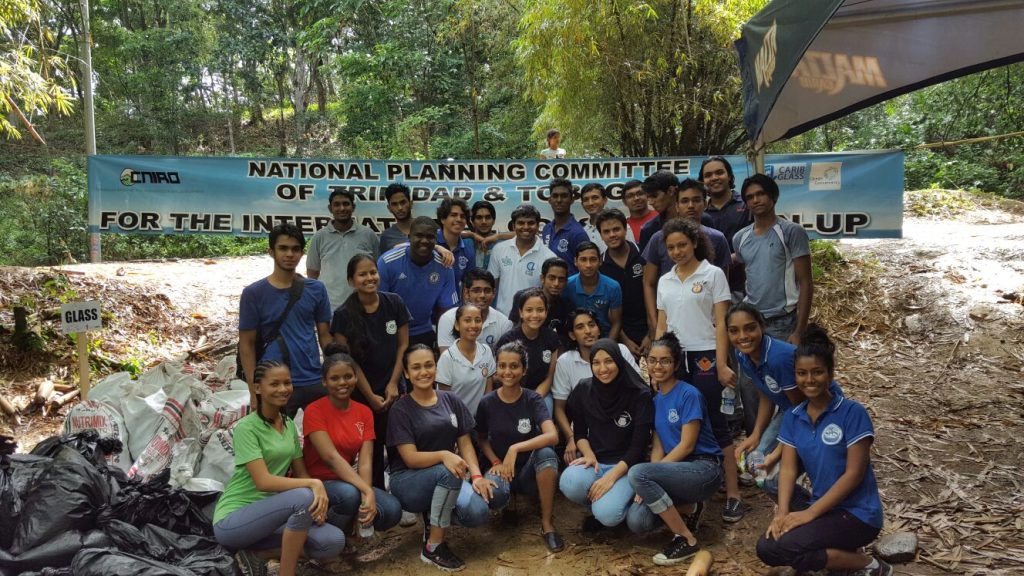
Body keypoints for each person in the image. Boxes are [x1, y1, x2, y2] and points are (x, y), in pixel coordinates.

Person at [756, 326, 890, 576]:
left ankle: (869, 565)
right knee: (767, 547)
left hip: (858, 514)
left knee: (790, 547)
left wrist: (809, 514)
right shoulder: (794, 417)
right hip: (824, 510)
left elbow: (854, 474)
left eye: (817, 372)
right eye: (802, 373)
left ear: (830, 373)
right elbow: (787, 469)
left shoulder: (852, 413)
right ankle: (842, 560)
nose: (809, 380)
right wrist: (783, 512)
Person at [213, 361, 345, 576]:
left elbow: (301, 472)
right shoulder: (247, 428)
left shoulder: (289, 424)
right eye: (274, 384)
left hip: (273, 516)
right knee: (302, 496)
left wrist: (316, 503)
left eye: (287, 383)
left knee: (332, 541)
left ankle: (257, 555)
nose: (283, 389)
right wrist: (313, 485)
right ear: (257, 388)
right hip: (234, 520)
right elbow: (263, 482)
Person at [387, 345, 509, 572]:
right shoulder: (401, 409)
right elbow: (410, 458)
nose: (424, 372)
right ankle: (433, 546)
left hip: (448, 476)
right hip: (409, 481)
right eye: (416, 367)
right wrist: (445, 455)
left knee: (477, 512)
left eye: (428, 365)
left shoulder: (450, 399)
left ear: (436, 367)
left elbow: (465, 443)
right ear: (406, 373)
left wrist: (476, 475)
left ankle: (434, 514)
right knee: (448, 470)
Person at [654, 218, 745, 523]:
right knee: (679, 425)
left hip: (706, 355)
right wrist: (656, 364)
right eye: (671, 247)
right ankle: (688, 493)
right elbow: (661, 325)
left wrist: (721, 363)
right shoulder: (665, 280)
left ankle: (732, 494)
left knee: (718, 423)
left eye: (682, 244)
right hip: (675, 359)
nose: (677, 251)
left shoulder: (713, 274)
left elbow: (722, 324)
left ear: (694, 243)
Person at [626, 332, 723, 566]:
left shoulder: (689, 394)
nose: (657, 366)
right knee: (637, 521)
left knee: (639, 473)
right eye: (652, 360)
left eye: (665, 361)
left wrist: (647, 475)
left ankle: (686, 540)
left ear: (676, 364)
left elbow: (687, 445)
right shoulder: (656, 400)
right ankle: (691, 507)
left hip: (703, 468)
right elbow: (658, 446)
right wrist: (649, 478)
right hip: (677, 473)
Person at [303, 344, 402, 537]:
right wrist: (365, 489)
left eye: (348, 376)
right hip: (318, 482)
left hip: (348, 480)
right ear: (324, 382)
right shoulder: (314, 410)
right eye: (335, 378)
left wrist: (366, 496)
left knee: (392, 510)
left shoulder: (364, 412)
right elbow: (330, 457)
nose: (343, 382)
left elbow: (365, 461)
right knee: (349, 495)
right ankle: (323, 534)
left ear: (356, 378)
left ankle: (349, 529)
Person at [476, 341, 564, 552]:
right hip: (500, 469)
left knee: (546, 454)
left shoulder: (532, 398)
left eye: (514, 366)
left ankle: (547, 524)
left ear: (524, 370)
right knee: (495, 495)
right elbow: (481, 438)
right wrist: (495, 460)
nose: (508, 371)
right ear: (496, 369)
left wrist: (515, 449)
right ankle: (509, 501)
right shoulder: (487, 402)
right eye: (502, 366)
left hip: (528, 472)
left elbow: (552, 436)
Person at [330, 253, 408, 489]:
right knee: (371, 447)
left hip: (394, 388)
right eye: (362, 274)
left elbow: (403, 345)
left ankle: (402, 492)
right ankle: (376, 496)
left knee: (398, 442)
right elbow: (349, 361)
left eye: (373, 272)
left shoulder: (394, 302)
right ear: (351, 280)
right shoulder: (343, 315)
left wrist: (394, 383)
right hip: (364, 394)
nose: (369, 278)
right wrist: (370, 396)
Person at [239, 223, 332, 415]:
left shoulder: (317, 289)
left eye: (295, 249)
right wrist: (253, 388)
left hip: (313, 378)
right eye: (283, 248)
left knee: (320, 441)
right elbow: (246, 344)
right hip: (275, 382)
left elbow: (325, 335)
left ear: (302, 252)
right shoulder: (253, 293)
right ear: (271, 251)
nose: (290, 254)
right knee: (277, 442)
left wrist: (333, 371)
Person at [559, 339, 652, 530]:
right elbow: (580, 433)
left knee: (608, 514)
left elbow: (638, 447)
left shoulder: (639, 394)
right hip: (597, 462)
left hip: (627, 466)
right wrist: (589, 455)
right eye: (596, 363)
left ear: (619, 361)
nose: (603, 368)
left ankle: (614, 509)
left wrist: (610, 478)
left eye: (609, 361)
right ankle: (600, 505)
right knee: (569, 481)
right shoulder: (584, 389)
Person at [734, 174, 814, 345]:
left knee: (781, 370)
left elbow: (806, 281)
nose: (755, 200)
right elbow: (744, 265)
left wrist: (799, 331)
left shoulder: (792, 232)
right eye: (750, 197)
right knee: (751, 371)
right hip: (750, 320)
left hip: (783, 322)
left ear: (773, 196)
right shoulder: (740, 238)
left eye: (761, 194)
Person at [553, 308, 640, 464]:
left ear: (599, 329)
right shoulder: (565, 361)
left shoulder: (620, 351)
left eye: (592, 325)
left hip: (623, 426)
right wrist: (571, 438)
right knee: (572, 477)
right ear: (572, 335)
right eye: (580, 327)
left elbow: (639, 390)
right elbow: (559, 407)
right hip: (585, 433)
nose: (588, 331)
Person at [378, 216, 459, 349]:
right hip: (391, 331)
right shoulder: (387, 262)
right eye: (419, 236)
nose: (424, 241)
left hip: (423, 330)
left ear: (436, 239)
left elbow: (446, 311)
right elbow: (379, 307)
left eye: (430, 237)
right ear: (409, 237)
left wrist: (442, 345)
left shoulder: (445, 267)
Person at [305, 189, 380, 313]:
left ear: (353, 207)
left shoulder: (368, 235)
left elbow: (377, 269)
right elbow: (312, 273)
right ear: (330, 208)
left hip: (364, 306)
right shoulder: (319, 237)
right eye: (337, 204)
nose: (342, 208)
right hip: (331, 307)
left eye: (346, 204)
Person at [495, 287, 562, 415]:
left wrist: (534, 398)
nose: (535, 315)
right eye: (529, 310)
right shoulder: (508, 339)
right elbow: (501, 376)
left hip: (540, 392)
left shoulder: (551, 338)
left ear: (546, 312)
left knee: (545, 410)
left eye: (540, 310)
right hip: (510, 392)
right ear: (520, 312)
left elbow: (549, 376)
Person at [595, 208, 649, 358]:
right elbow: (607, 310)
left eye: (616, 229)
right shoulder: (600, 265)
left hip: (651, 329)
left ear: (625, 229)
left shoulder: (644, 255)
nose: (612, 235)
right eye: (606, 231)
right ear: (601, 235)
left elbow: (656, 296)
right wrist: (624, 340)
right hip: (621, 335)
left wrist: (651, 334)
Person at [488, 205, 556, 316]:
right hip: (503, 319)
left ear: (538, 226)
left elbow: (549, 294)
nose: (526, 227)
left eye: (531, 223)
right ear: (513, 226)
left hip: (532, 320)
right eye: (521, 223)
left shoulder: (549, 257)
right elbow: (491, 286)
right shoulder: (499, 249)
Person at [699, 156, 751, 296]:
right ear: (702, 182)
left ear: (729, 176)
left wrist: (727, 260)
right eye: (708, 175)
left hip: (742, 288)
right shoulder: (699, 212)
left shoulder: (747, 206)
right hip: (706, 289)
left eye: (719, 172)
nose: (714, 178)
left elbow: (756, 242)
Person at [437, 303, 496, 415]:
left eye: (478, 320)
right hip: (455, 421)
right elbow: (445, 400)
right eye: (467, 320)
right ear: (457, 325)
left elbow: (488, 392)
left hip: (480, 420)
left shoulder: (486, 351)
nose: (473, 325)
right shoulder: (447, 358)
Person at [437, 268, 513, 354]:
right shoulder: (448, 319)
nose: (482, 295)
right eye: (476, 290)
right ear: (466, 293)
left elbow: (503, 360)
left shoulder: (504, 323)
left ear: (494, 293)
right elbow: (446, 359)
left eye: (487, 291)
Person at [563, 241, 622, 340]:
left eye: (593, 259)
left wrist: (607, 347)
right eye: (583, 260)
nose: (588, 265)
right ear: (575, 261)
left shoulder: (613, 287)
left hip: (604, 338)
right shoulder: (567, 285)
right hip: (576, 339)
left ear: (600, 261)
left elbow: (616, 323)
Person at [509, 257, 571, 344]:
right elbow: (515, 329)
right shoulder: (522, 297)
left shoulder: (565, 306)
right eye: (552, 278)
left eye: (561, 279)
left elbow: (563, 338)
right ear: (542, 278)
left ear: (566, 282)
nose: (556, 283)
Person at [541, 178, 588, 274]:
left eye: (564, 196)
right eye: (555, 196)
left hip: (571, 288)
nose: (559, 200)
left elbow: (586, 268)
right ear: (550, 200)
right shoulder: (547, 228)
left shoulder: (578, 233)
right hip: (550, 287)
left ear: (572, 200)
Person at [435, 197, 476, 293]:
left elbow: (469, 285)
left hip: (454, 305)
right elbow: (401, 247)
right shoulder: (429, 238)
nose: (459, 219)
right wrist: (436, 247)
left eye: (462, 216)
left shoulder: (468, 249)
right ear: (443, 219)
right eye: (453, 215)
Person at [637, 170, 678, 252]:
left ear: (671, 191)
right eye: (648, 197)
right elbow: (647, 264)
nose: (651, 202)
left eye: (654, 196)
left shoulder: (700, 220)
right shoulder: (648, 230)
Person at [465, 200, 513, 270]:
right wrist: (472, 235)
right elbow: (447, 235)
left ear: (493, 221)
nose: (484, 222)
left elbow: (529, 236)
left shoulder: (501, 243)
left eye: (488, 217)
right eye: (479, 217)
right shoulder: (465, 243)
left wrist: (498, 236)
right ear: (472, 221)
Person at [379, 183, 415, 254]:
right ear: (389, 208)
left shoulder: (427, 228)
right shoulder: (386, 237)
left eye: (403, 202)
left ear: (411, 203)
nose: (400, 208)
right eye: (394, 204)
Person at [622, 179, 658, 243]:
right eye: (630, 196)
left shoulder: (660, 216)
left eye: (640, 193)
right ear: (624, 202)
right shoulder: (624, 227)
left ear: (647, 195)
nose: (636, 198)